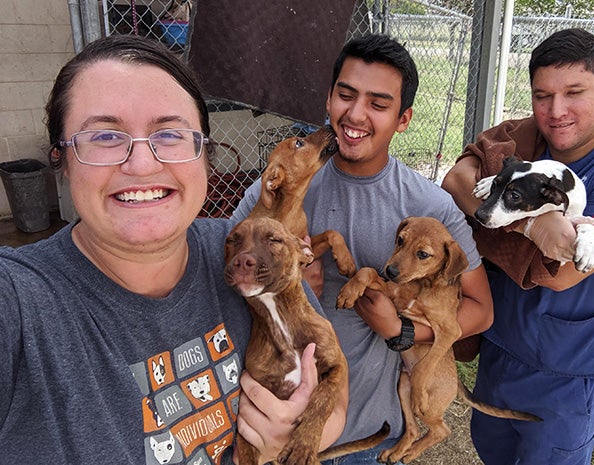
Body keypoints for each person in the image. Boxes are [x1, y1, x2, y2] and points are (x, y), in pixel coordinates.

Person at [0, 34, 346, 465]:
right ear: (63, 160)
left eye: (169, 134)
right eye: (106, 136)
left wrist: (290, 433)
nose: (141, 163)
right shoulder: (19, 299)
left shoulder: (239, 248)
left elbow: (335, 389)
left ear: (204, 155)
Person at [230, 33, 494, 464]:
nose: (355, 114)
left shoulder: (427, 208)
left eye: (378, 103)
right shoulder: (283, 187)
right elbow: (222, 272)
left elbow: (482, 308)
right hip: (271, 424)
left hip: (367, 434)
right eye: (345, 95)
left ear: (404, 118)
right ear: (329, 99)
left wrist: (403, 332)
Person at [441, 28, 594, 465]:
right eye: (542, 95)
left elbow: (561, 270)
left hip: (564, 374)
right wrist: (534, 225)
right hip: (499, 348)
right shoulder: (524, 140)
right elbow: (455, 180)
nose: (556, 111)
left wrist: (490, 224)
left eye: (574, 92)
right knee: (491, 450)